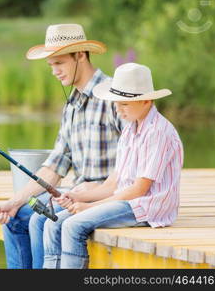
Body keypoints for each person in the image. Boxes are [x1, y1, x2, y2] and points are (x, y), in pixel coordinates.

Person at [0, 23, 124, 269]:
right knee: (15, 218)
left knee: (39, 222)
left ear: (80, 55)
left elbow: (136, 159)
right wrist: (15, 201)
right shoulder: (70, 106)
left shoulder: (116, 97)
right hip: (75, 198)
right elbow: (54, 167)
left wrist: (100, 190)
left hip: (109, 201)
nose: (54, 72)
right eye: (51, 65)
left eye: (59, 63)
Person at [43, 63, 184, 269]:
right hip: (125, 201)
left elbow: (139, 190)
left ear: (146, 101)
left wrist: (89, 208)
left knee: (73, 225)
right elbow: (114, 182)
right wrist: (78, 197)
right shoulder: (129, 130)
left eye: (124, 104)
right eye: (116, 103)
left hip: (146, 207)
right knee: (53, 222)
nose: (117, 109)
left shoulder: (158, 132)